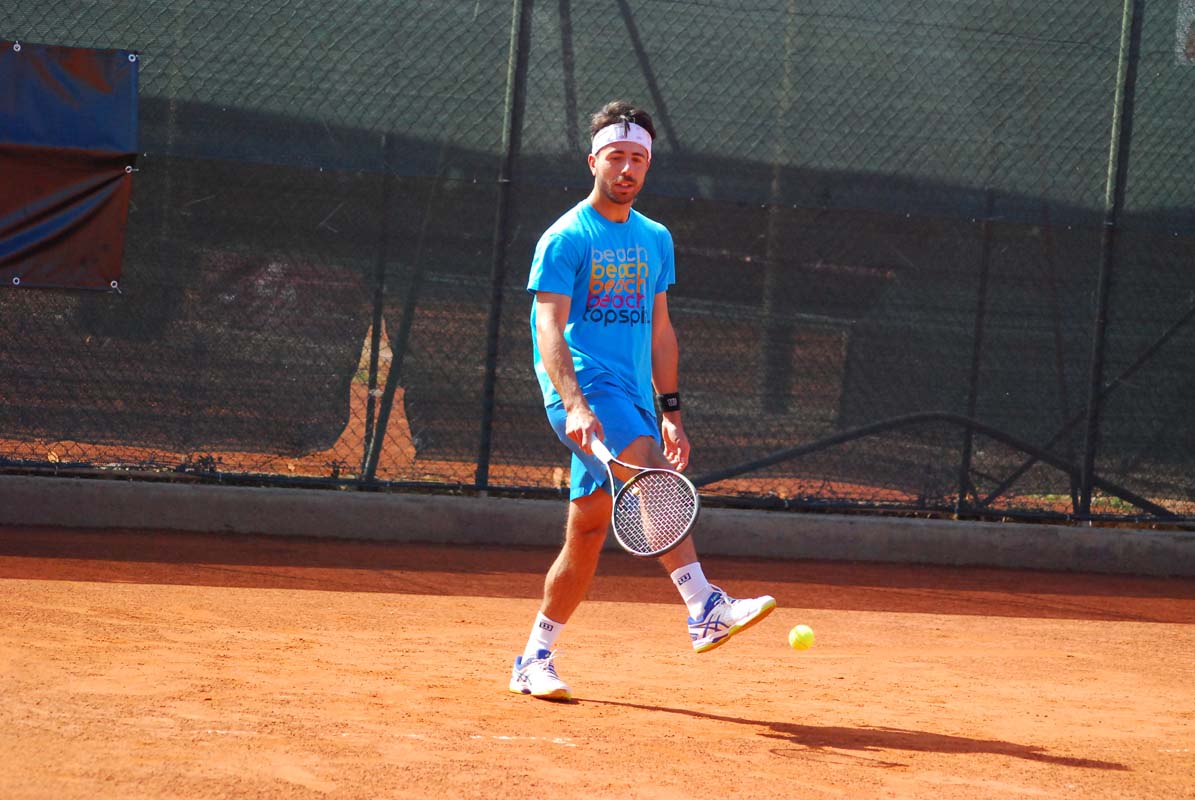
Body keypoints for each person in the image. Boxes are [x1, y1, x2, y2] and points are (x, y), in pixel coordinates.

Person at [510, 100, 776, 701]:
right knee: (651, 476)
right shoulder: (565, 237)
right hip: (585, 388)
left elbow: (660, 331)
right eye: (615, 157)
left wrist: (671, 411)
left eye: (637, 158)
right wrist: (574, 403)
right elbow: (547, 325)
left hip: (632, 396)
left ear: (647, 165)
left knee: (587, 533)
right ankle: (704, 606)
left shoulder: (656, 239)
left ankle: (533, 658)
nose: (626, 168)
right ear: (594, 162)